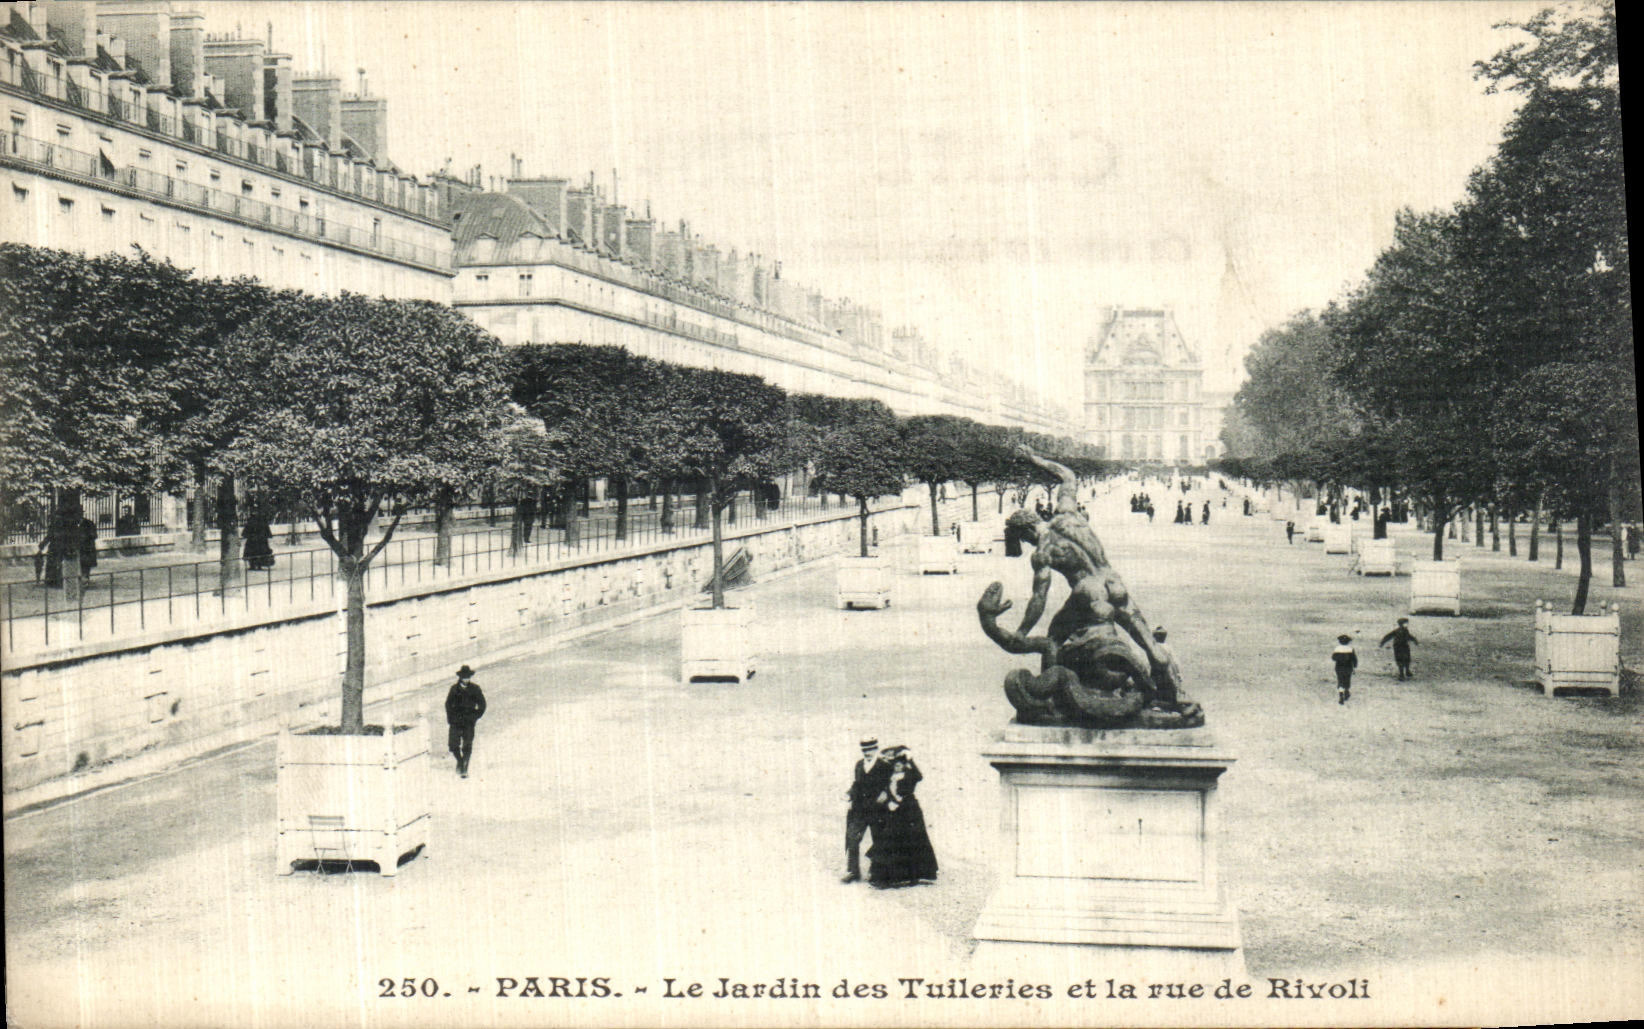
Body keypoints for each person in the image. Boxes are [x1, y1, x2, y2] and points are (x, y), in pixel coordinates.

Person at [866, 746, 938, 888]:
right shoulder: (890, 778)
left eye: (900, 765)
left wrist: (910, 759)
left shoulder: (910, 776)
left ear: (905, 766)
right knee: (891, 841)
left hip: (910, 812)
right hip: (895, 813)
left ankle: (913, 875)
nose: (897, 767)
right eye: (895, 765)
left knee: (912, 842)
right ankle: (887, 877)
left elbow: (919, 776)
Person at [843, 737, 893, 883]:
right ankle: (853, 871)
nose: (867, 753)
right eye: (864, 750)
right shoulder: (859, 765)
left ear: (876, 749)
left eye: (870, 750)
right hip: (860, 809)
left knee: (878, 840)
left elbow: (892, 783)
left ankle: (876, 872)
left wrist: (886, 793)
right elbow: (857, 784)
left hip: (878, 810)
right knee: (852, 838)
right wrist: (849, 793)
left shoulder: (885, 765)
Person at [444, 665, 487, 778]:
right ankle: (460, 760)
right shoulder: (454, 689)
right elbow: (448, 704)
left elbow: (482, 704)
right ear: (460, 677)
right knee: (453, 745)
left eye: (468, 677)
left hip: (469, 722)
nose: (466, 679)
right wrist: (450, 718)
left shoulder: (475, 689)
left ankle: (464, 768)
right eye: (464, 677)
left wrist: (475, 716)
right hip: (456, 722)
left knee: (467, 744)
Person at [1332, 634, 1358, 704]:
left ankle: (1341, 695)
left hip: (1339, 667)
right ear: (1348, 642)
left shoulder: (1337, 649)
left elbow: (1333, 658)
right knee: (1347, 679)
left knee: (1340, 680)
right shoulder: (1350, 649)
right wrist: (1355, 667)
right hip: (1348, 667)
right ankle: (1346, 691)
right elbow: (1354, 659)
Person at [78, 514, 98, 584]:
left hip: (88, 548)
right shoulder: (74, 524)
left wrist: (85, 537)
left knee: (86, 565)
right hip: (80, 549)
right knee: (80, 564)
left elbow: (94, 535)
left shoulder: (89, 523)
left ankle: (86, 579)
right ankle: (83, 580)